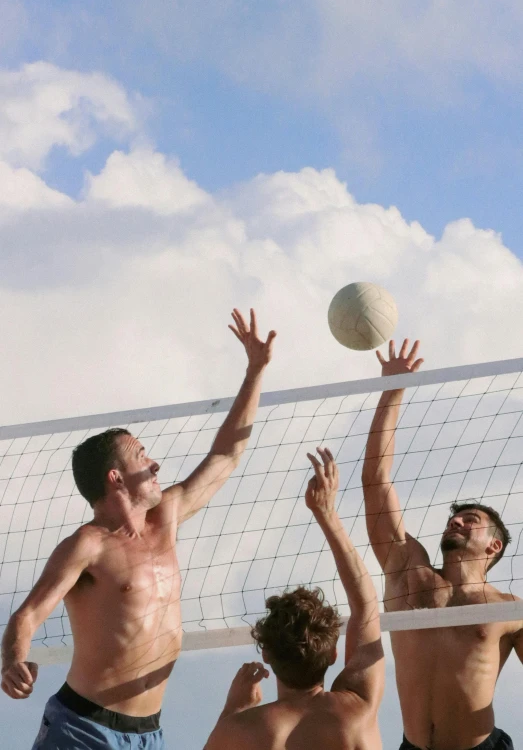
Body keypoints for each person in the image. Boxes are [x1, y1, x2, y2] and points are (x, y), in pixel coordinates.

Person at [1, 309, 276, 750]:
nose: (155, 463)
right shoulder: (87, 546)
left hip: (149, 734)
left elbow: (226, 456)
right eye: (141, 455)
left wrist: (255, 371)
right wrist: (13, 661)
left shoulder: (166, 516)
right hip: (82, 728)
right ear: (115, 478)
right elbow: (26, 616)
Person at [362, 338, 523, 750]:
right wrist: (393, 390)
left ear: (494, 546)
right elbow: (376, 482)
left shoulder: (509, 608)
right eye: (455, 517)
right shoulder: (409, 572)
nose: (457, 520)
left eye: (471, 520)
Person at [204, 446, 385, 750]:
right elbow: (365, 605)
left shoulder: (238, 729)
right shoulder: (357, 710)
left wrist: (232, 710)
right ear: (332, 655)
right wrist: (326, 512)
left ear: (267, 657)